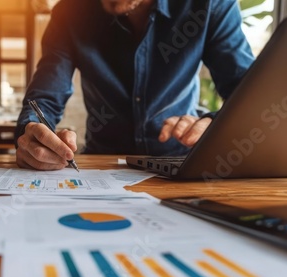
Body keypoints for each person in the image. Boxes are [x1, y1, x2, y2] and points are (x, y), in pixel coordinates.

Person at [15, 0, 254, 170]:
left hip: (182, 164)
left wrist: (215, 123)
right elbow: (44, 99)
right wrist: (32, 133)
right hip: (101, 167)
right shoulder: (68, 13)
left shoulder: (210, 5)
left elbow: (251, 97)